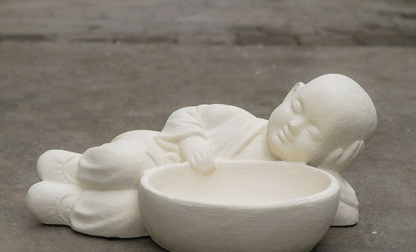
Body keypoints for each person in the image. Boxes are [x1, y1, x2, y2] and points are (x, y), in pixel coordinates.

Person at [26, 74, 377, 238]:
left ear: (336, 152)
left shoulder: (301, 181)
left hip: (170, 202)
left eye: (313, 133)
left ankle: (68, 205)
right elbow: (187, 114)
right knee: (120, 164)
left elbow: (345, 213)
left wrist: (331, 169)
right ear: (290, 92)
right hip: (156, 156)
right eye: (296, 108)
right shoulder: (238, 121)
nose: (293, 126)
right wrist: (192, 139)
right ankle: (77, 170)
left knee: (132, 217)